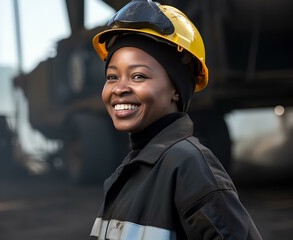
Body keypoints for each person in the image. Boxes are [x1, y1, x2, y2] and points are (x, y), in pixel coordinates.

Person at [89, 0, 263, 239]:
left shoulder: (188, 166)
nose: (119, 88)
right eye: (112, 76)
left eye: (138, 76)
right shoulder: (131, 170)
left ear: (176, 89)